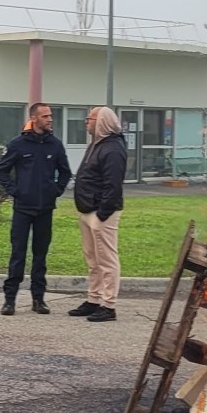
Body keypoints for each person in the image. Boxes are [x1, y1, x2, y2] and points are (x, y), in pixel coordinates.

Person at [0, 102, 72, 316]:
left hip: (45, 209)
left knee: (40, 256)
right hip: (23, 209)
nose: (50, 120)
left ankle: (39, 299)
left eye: (50, 116)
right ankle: (9, 300)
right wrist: (15, 191)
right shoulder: (18, 144)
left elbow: (65, 172)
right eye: (45, 116)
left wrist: (55, 190)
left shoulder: (55, 145)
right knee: (18, 254)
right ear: (34, 118)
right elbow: (1, 170)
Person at [69, 106, 128, 323]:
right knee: (92, 259)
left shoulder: (113, 148)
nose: (86, 122)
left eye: (90, 118)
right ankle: (93, 299)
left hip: (102, 214)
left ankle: (108, 305)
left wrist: (102, 213)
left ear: (101, 121)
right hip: (86, 211)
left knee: (107, 260)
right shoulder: (96, 144)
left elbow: (113, 184)